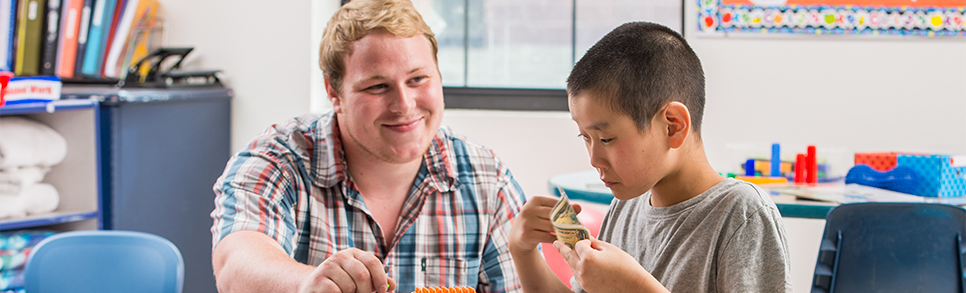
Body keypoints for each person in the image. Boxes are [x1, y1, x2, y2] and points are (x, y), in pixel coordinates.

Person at [209, 1, 526, 292]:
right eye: (377, 86)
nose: (404, 104)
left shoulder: (488, 182)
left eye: (417, 79)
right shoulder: (278, 160)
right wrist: (307, 282)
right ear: (334, 93)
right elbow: (236, 265)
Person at [508, 22, 792, 293]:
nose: (594, 158)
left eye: (606, 139)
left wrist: (634, 287)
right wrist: (523, 252)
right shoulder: (625, 207)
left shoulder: (742, 215)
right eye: (584, 136)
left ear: (673, 126)